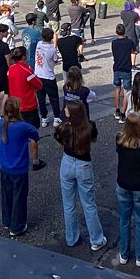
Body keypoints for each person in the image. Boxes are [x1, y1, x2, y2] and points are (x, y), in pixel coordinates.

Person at [55, 100, 107, 250]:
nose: (65, 110)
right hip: (83, 164)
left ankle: (71, 238)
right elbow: (94, 139)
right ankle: (96, 239)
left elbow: (58, 139)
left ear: (71, 113)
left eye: (67, 108)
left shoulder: (64, 127)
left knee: (68, 202)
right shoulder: (89, 127)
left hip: (67, 162)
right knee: (88, 203)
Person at [116, 113, 140, 267]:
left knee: (124, 220)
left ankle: (124, 254)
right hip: (139, 186)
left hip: (123, 184)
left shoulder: (119, 140)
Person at [0, 97, 39, 237]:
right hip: (19, 168)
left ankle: (7, 220)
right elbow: (35, 134)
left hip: (5, 166)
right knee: (19, 197)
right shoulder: (24, 127)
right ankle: (17, 225)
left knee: (7, 195)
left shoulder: (1, 123)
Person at [6, 47, 45, 170]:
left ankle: (18, 159)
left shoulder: (10, 70)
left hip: (15, 106)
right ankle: (35, 160)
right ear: (23, 56)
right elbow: (39, 85)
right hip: (29, 106)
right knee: (33, 134)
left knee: (18, 134)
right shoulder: (27, 70)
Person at [34, 27, 61, 128]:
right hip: (48, 76)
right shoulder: (52, 48)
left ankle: (44, 118)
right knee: (54, 98)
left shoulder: (39, 44)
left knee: (41, 98)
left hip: (38, 75)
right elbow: (55, 60)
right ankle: (56, 118)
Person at [111, 23, 138, 122]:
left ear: (116, 32)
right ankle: (123, 113)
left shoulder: (114, 42)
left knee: (117, 89)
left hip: (117, 68)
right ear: (124, 31)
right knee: (126, 91)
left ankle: (117, 109)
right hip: (126, 68)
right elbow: (134, 51)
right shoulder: (129, 42)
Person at [63, 66, 96, 135]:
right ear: (80, 77)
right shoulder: (84, 90)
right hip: (82, 117)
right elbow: (93, 96)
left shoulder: (65, 88)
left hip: (68, 115)